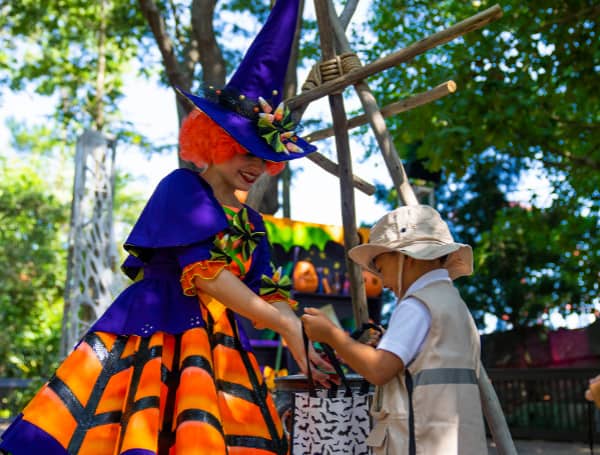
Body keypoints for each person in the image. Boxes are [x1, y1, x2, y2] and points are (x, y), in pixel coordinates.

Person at [0, 1, 334, 454]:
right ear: (214, 143)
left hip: (220, 354)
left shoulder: (252, 222)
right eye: (244, 151)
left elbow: (265, 290)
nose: (256, 166)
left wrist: (301, 340)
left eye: (264, 157)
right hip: (157, 338)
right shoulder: (182, 189)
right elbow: (210, 275)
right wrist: (283, 323)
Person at [302, 204, 488, 455]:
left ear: (407, 257)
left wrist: (332, 335)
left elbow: (379, 370)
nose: (383, 281)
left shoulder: (415, 306)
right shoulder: (455, 306)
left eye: (380, 268)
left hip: (418, 444)